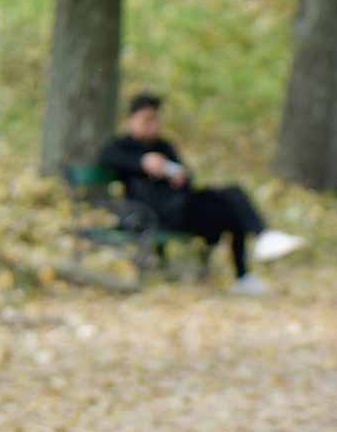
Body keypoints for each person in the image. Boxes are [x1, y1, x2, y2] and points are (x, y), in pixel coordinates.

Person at [97, 93, 302, 294]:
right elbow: (107, 158)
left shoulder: (164, 145)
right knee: (229, 206)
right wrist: (142, 162)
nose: (152, 125)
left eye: (155, 120)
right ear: (132, 119)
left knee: (233, 199)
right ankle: (261, 240)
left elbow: (187, 177)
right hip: (154, 213)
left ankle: (254, 255)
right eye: (146, 120)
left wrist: (179, 176)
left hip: (183, 205)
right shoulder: (121, 146)